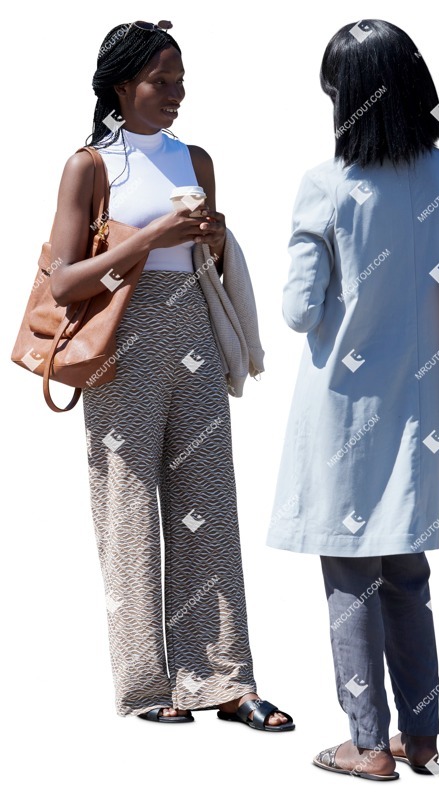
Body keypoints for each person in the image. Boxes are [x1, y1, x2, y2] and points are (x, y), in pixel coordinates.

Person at [267, 19, 439, 778]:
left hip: (343, 407)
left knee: (351, 578)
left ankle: (368, 745)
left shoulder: (326, 184)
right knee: (407, 575)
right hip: (420, 411)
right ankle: (422, 737)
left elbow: (299, 310)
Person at [49, 19, 293, 731]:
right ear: (122, 85)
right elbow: (63, 281)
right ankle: (144, 685)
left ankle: (224, 679)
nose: (176, 93)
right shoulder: (90, 165)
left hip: (192, 335)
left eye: (181, 80)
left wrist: (213, 240)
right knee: (128, 512)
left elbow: (206, 261)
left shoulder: (196, 159)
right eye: (161, 81)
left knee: (209, 508)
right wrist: (151, 236)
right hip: (118, 345)